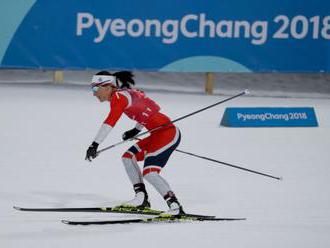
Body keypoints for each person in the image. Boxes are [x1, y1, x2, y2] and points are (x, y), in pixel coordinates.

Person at [85, 71, 184, 214]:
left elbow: (110, 121)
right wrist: (135, 130)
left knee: (149, 172)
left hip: (168, 133)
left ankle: (175, 206)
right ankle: (141, 198)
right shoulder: (123, 95)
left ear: (107, 87)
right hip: (156, 134)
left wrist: (95, 144)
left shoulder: (118, 98)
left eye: (95, 88)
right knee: (128, 157)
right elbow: (145, 110)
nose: (94, 93)